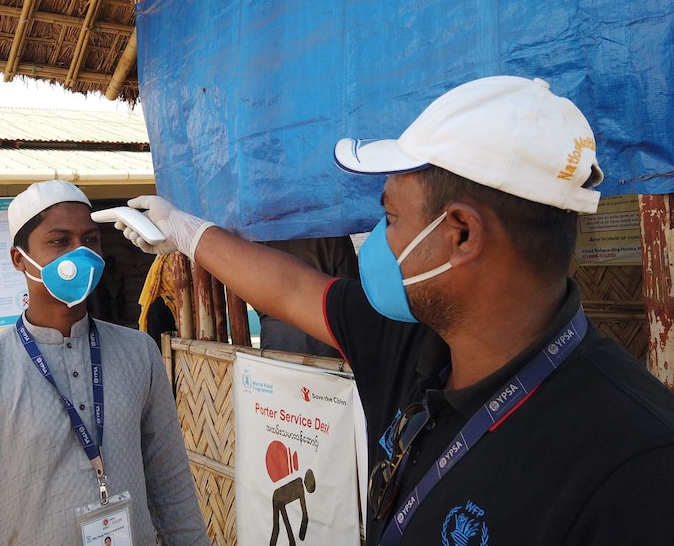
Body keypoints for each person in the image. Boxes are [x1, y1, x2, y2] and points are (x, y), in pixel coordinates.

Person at [109, 76, 674, 545]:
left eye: (392, 218)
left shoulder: (637, 466)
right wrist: (185, 231)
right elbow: (289, 289)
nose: (378, 240)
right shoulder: (414, 343)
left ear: (459, 234)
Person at [0, 180, 209, 546]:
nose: (81, 253)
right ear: (18, 258)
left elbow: (169, 478)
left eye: (90, 240)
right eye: (60, 241)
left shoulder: (139, 353)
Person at [257, 236, 359, 357]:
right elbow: (350, 298)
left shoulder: (260, 237)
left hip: (276, 343)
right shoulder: (333, 235)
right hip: (324, 345)